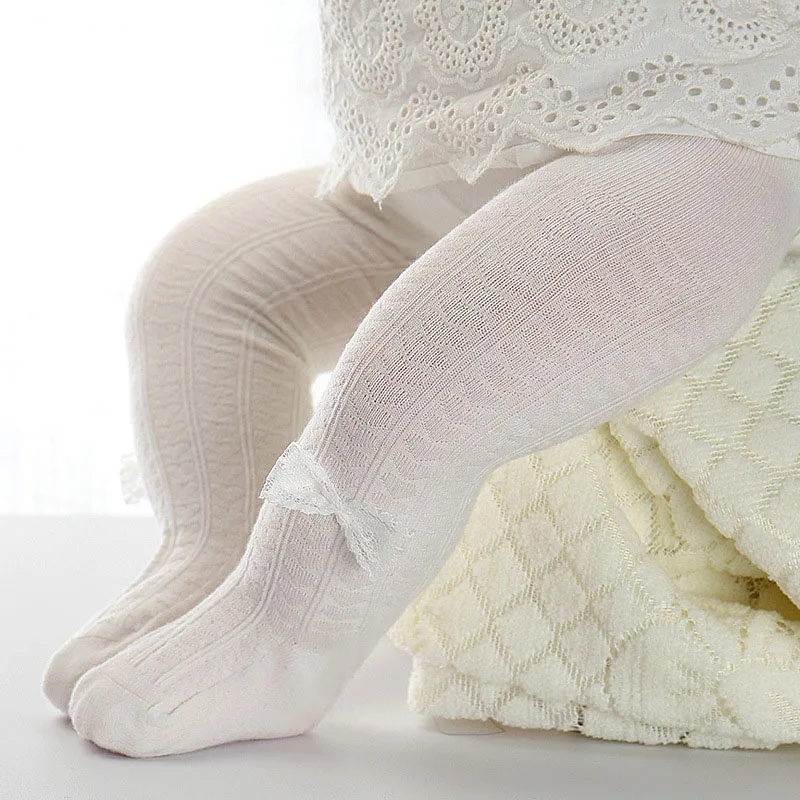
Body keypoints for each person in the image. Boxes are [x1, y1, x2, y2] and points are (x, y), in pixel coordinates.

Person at [43, 2, 800, 757]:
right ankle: (214, 554)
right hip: (453, 129)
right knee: (204, 287)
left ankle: (285, 637)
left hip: (709, 124)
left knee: (418, 378)